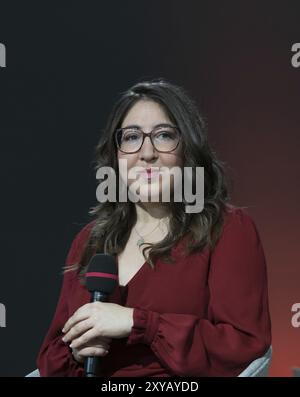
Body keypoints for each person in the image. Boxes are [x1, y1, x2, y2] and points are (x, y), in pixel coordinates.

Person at [37, 79, 271, 377]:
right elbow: (51, 359)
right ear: (116, 155)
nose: (146, 153)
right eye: (132, 137)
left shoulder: (227, 230)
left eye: (163, 135)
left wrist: (138, 323)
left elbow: (245, 346)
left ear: (189, 149)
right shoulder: (90, 241)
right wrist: (77, 351)